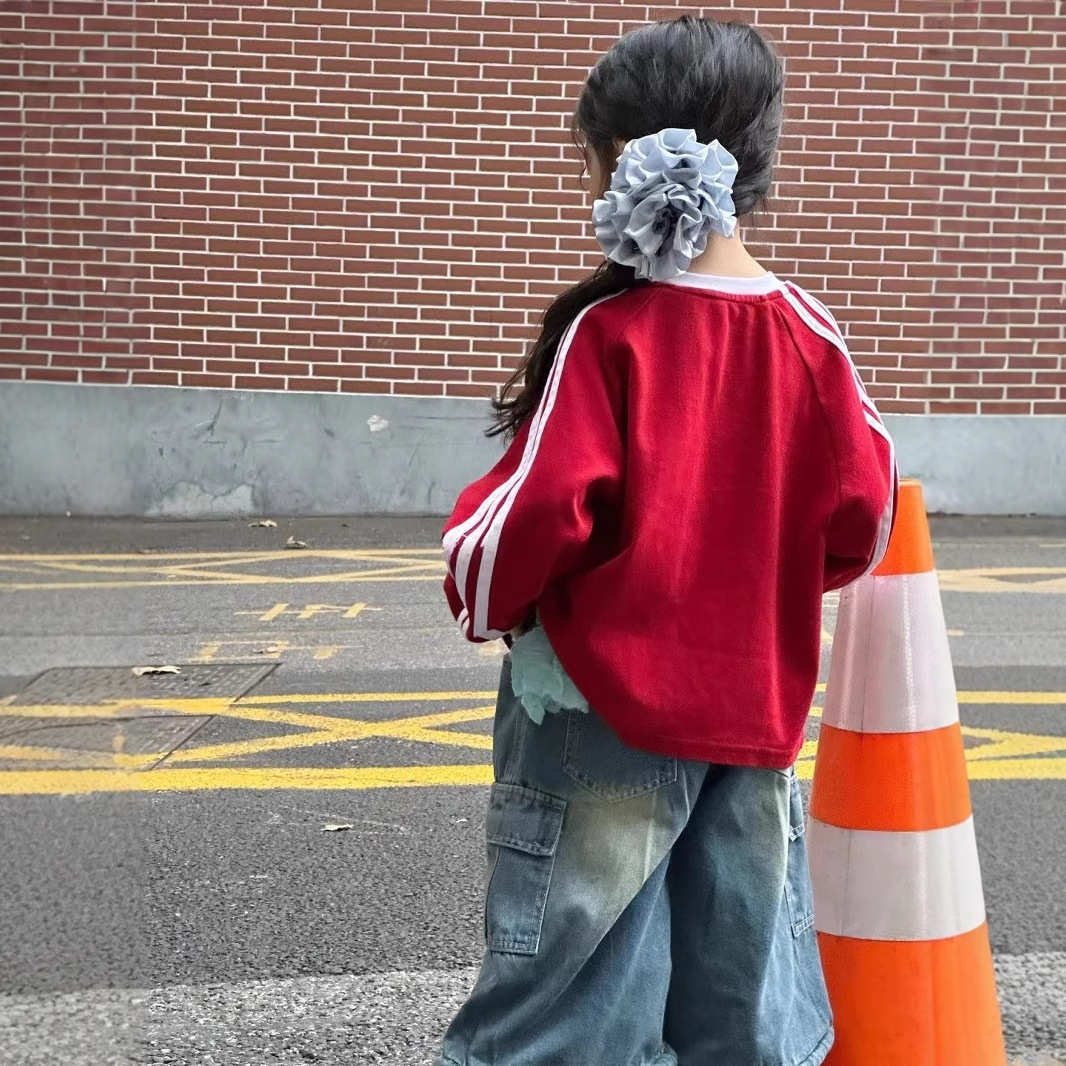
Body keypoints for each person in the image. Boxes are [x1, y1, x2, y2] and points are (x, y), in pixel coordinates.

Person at [437, 15, 897, 1066]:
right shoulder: (810, 336)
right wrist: (765, 582)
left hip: (594, 712)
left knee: (569, 998)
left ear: (617, 162)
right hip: (753, 711)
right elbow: (862, 516)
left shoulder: (609, 334)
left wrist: (478, 587)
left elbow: (531, 519)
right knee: (738, 992)